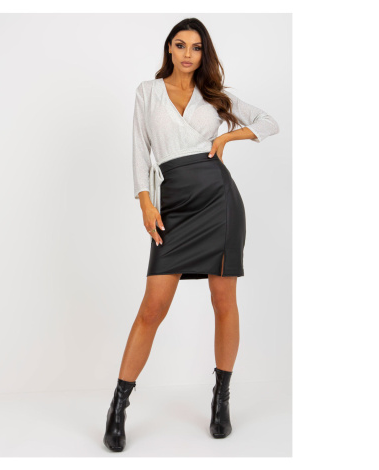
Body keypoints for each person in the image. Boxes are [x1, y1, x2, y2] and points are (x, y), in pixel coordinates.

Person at [103, 17, 280, 452]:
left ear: (204, 54)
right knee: (152, 307)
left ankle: (221, 400)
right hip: (174, 208)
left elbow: (269, 122)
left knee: (224, 302)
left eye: (196, 47)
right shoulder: (148, 92)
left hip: (219, 203)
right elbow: (139, 149)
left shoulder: (215, 97)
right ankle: (118, 406)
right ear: (169, 48)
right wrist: (145, 202)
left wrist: (227, 139)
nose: (187, 54)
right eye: (180, 45)